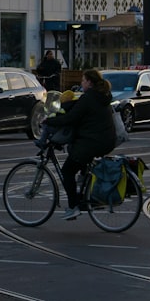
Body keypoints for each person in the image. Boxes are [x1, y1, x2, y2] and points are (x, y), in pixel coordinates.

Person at [42, 68, 117, 220]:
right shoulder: (102, 96)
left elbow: (70, 118)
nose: (81, 83)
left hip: (92, 142)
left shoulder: (88, 98)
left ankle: (73, 206)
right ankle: (84, 187)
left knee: (67, 171)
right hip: (107, 140)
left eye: (83, 80)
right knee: (77, 156)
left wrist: (49, 121)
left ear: (89, 82)